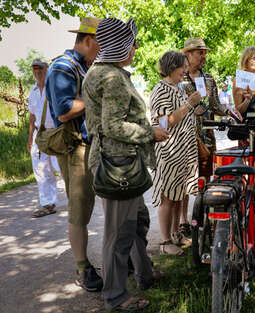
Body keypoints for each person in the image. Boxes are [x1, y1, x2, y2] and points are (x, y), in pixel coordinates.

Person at [83, 18, 168, 311]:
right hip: (118, 164)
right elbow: (113, 126)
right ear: (121, 45)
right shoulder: (113, 78)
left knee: (138, 222)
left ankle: (144, 274)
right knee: (118, 234)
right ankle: (116, 296)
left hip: (120, 162)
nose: (135, 47)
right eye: (132, 42)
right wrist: (150, 132)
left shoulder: (103, 71)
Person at [45, 17, 103, 292]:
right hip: (75, 148)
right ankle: (83, 268)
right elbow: (64, 110)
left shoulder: (84, 66)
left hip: (90, 144)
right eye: (99, 44)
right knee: (79, 210)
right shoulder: (63, 67)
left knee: (91, 205)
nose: (101, 51)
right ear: (88, 40)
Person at [181, 38, 241, 237]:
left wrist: (229, 111)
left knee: (205, 178)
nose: (204, 56)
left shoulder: (209, 79)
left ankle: (205, 219)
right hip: (185, 135)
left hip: (206, 136)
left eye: (205, 52)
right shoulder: (179, 78)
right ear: (188, 54)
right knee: (185, 180)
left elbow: (215, 105)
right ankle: (183, 222)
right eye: (200, 52)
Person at [150, 50, 202, 256]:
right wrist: (189, 104)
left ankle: (175, 235)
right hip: (169, 152)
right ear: (172, 68)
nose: (186, 70)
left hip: (182, 152)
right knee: (167, 198)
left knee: (178, 196)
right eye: (183, 67)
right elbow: (164, 122)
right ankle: (164, 242)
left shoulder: (177, 87)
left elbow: (183, 113)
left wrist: (194, 107)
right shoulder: (161, 90)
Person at [28, 59, 60, 218]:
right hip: (39, 135)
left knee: (62, 167)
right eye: (34, 69)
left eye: (40, 69)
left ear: (47, 69)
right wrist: (29, 138)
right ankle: (48, 204)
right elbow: (32, 117)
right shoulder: (32, 91)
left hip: (55, 133)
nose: (37, 72)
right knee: (41, 170)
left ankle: (82, 196)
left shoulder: (53, 88)